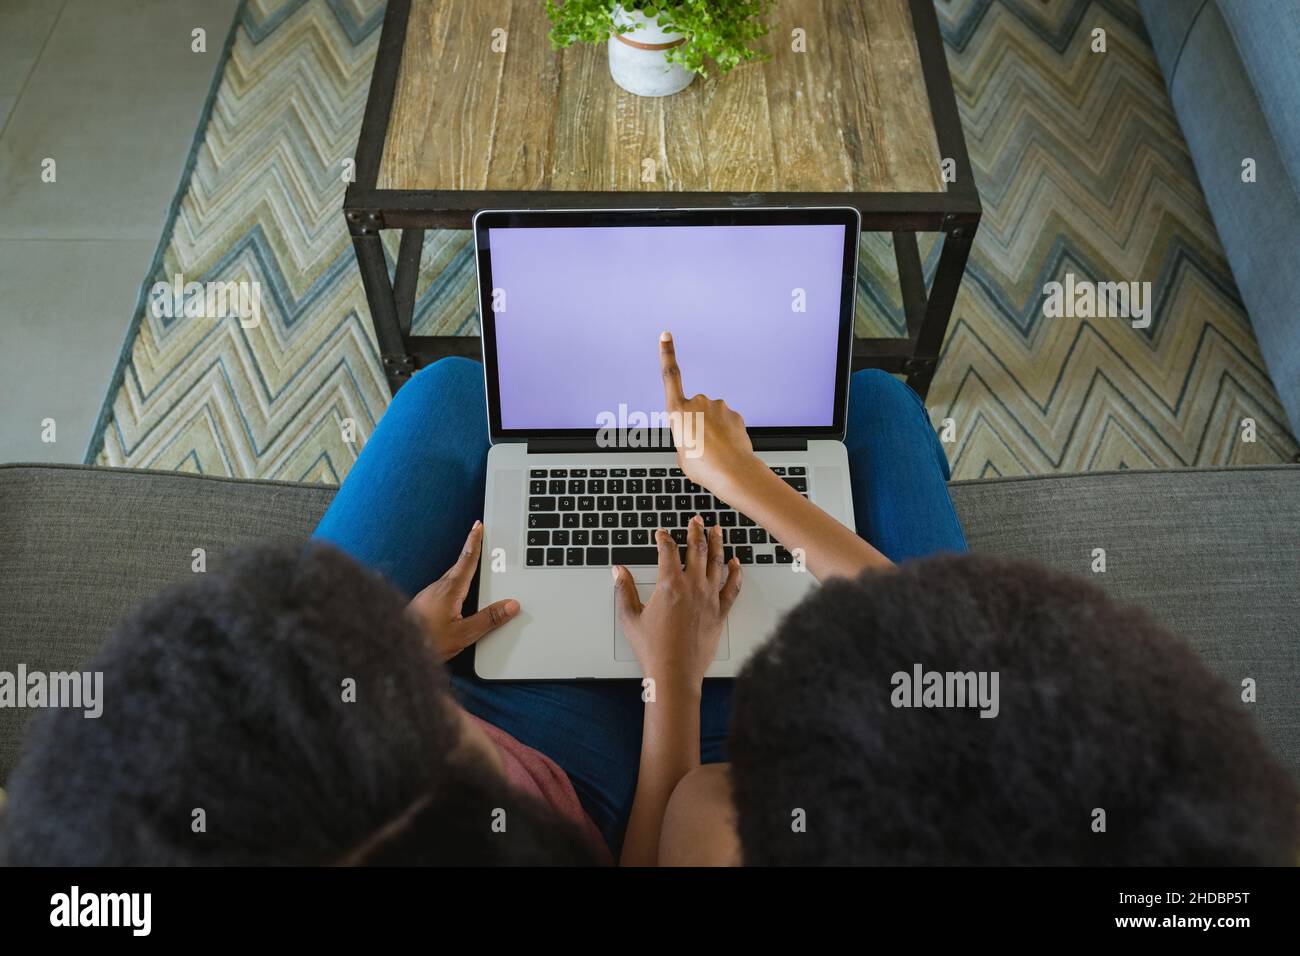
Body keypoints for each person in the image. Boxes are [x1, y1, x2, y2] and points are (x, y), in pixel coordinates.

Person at [2, 330, 967, 865]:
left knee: (454, 388)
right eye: (420, 721)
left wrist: (398, 653)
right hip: (618, 768)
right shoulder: (724, 817)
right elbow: (948, 665)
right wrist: (669, 673)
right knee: (877, 404)